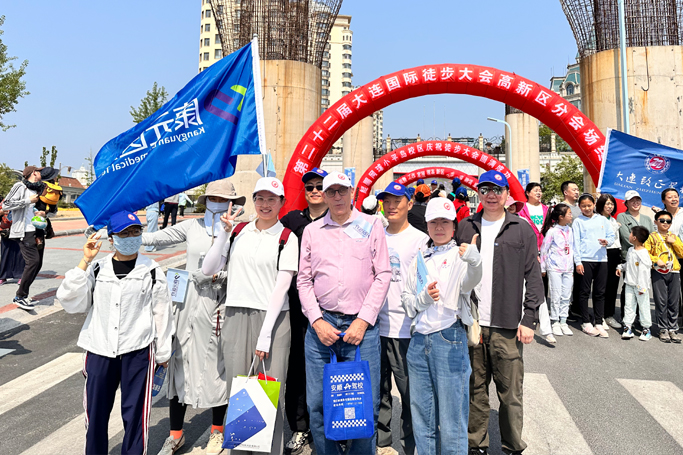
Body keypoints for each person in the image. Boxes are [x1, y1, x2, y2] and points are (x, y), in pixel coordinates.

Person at [56, 211, 174, 455]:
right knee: (96, 415)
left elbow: (162, 313)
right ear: (112, 238)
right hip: (99, 350)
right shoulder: (98, 268)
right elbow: (69, 300)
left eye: (135, 231)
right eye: (124, 233)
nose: (131, 237)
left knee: (136, 416)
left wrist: (163, 353)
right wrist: (85, 260)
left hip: (138, 352)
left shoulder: (151, 270)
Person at [142, 179, 246, 455]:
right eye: (213, 198)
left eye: (224, 200)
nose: (218, 203)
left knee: (217, 365)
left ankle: (217, 431)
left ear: (233, 204)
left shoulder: (239, 233)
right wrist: (120, 233)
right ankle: (176, 433)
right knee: (179, 363)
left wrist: (217, 277)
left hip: (218, 303)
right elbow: (157, 238)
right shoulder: (192, 226)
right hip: (185, 303)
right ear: (205, 201)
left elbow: (241, 269)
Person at [201, 177, 298, 455]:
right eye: (260, 198)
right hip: (235, 315)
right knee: (240, 393)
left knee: (268, 394)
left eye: (272, 199)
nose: (265, 204)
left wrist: (266, 334)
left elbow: (281, 289)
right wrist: (224, 233)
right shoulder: (239, 230)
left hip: (273, 320)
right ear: (253, 200)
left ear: (282, 202)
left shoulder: (287, 238)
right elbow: (209, 269)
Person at [297, 171, 390, 454]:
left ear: (352, 192)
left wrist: (363, 321)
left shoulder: (371, 225)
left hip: (361, 329)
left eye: (341, 191)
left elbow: (383, 274)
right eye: (330, 192)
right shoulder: (312, 231)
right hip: (321, 327)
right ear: (323, 196)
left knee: (364, 403)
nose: (337, 197)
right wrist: (316, 320)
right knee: (318, 402)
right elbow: (303, 279)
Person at [457, 170, 543, 455]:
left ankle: (511, 445)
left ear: (507, 194)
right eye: (485, 189)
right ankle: (476, 444)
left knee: (510, 393)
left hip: (508, 324)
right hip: (473, 324)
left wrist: (529, 318)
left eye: (498, 189)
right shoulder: (466, 226)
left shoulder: (521, 229)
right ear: (478, 194)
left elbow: (533, 276)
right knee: (475, 389)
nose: (491, 195)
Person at [402, 197, 481, 455]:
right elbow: (407, 300)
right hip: (418, 343)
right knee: (422, 417)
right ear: (426, 225)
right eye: (434, 222)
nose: (439, 227)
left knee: (452, 421)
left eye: (444, 222)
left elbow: (470, 282)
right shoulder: (419, 258)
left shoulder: (460, 255)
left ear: (453, 226)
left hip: (449, 339)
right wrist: (420, 300)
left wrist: (475, 261)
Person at [376, 182, 428, 455]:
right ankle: (381, 444)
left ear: (410, 203)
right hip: (374, 327)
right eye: (387, 200)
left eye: (398, 200)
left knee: (410, 395)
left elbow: (424, 284)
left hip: (406, 329)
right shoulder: (375, 236)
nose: (392, 205)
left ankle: (411, 446)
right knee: (378, 392)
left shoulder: (420, 240)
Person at [279, 167, 328, 454]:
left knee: (329, 369)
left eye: (319, 186)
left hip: (329, 309)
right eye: (309, 187)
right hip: (296, 309)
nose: (314, 191)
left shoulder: (337, 219)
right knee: (296, 369)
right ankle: (300, 427)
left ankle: (332, 426)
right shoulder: (292, 220)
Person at [1, 165, 45, 310]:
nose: (41, 174)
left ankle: (23, 296)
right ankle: (19, 296)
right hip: (24, 231)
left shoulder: (36, 189)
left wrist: (40, 213)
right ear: (33, 173)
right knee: (33, 262)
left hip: (35, 230)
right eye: (39, 172)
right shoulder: (20, 186)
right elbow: (6, 204)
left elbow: (32, 210)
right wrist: (27, 201)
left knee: (37, 264)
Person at [517, 182, 555, 343]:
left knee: (538, 289)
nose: (539, 193)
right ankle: (521, 322)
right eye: (535, 191)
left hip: (543, 254)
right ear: (527, 193)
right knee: (521, 290)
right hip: (524, 254)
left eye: (540, 190)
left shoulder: (547, 210)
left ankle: (546, 329)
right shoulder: (521, 210)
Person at [572, 193, 615, 338]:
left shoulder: (602, 219)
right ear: (579, 207)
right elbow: (576, 243)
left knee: (600, 292)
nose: (586, 208)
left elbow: (611, 235)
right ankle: (585, 321)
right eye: (583, 206)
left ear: (594, 205)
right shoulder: (578, 221)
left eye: (589, 205)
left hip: (601, 260)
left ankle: (598, 321)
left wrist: (607, 242)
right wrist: (578, 262)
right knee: (584, 292)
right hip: (585, 259)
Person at [540, 204, 579, 337]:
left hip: (568, 268)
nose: (571, 215)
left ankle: (563, 320)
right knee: (556, 295)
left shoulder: (570, 230)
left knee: (566, 295)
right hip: (555, 267)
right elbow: (544, 249)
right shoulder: (552, 231)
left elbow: (573, 247)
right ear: (561, 217)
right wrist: (543, 267)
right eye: (569, 213)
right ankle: (555, 321)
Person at [644, 211, 683, 343]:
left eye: (668, 221)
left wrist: (675, 242)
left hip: (674, 271)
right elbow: (646, 252)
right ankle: (663, 328)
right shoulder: (651, 237)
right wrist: (656, 260)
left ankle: (673, 328)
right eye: (662, 220)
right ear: (656, 222)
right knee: (661, 300)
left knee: (673, 301)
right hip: (659, 271)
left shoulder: (673, 236)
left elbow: (682, 253)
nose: (665, 223)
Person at [617, 190, 655, 325]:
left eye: (638, 200)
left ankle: (641, 316)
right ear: (626, 203)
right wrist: (639, 246)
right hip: (629, 257)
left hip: (645, 258)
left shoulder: (647, 219)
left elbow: (651, 237)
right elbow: (626, 237)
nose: (635, 203)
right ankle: (627, 318)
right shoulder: (622, 217)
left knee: (642, 286)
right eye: (632, 200)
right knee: (629, 286)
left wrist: (645, 250)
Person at [617, 226, 653, 341]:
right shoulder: (631, 250)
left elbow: (644, 272)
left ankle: (646, 329)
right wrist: (621, 267)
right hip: (629, 284)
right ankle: (628, 327)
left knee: (643, 307)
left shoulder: (643, 254)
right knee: (629, 305)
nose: (629, 235)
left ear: (635, 238)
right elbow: (628, 264)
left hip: (640, 286)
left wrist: (642, 287)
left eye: (630, 233)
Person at [597, 193, 622, 330]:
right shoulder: (596, 219)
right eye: (607, 203)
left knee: (612, 286)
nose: (610, 206)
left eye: (612, 204)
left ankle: (609, 315)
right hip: (601, 253)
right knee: (601, 286)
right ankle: (599, 315)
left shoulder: (613, 220)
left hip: (614, 253)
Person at [0, 201, 26, 285]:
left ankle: (21, 276)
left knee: (20, 254)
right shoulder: (4, 201)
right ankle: (3, 276)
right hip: (6, 230)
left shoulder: (24, 200)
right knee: (5, 253)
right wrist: (1, 212)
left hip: (20, 229)